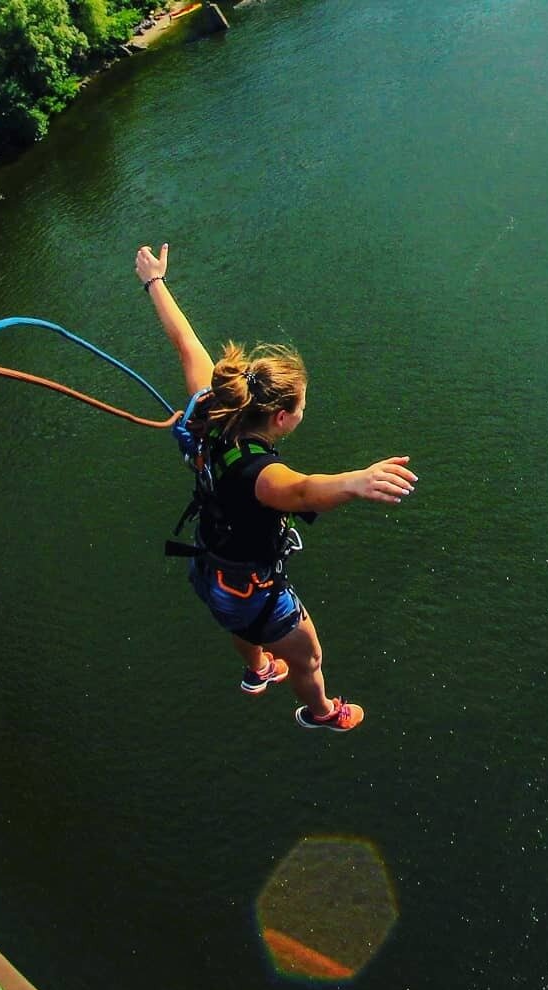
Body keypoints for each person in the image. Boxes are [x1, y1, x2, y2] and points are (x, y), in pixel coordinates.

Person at [136, 242, 418, 732]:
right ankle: (322, 712)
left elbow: (188, 345)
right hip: (247, 589)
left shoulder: (213, 414)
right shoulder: (259, 475)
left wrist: (154, 282)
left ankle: (258, 669)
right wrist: (358, 481)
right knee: (309, 658)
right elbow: (305, 491)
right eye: (303, 406)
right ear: (282, 418)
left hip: (210, 570)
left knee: (237, 619)